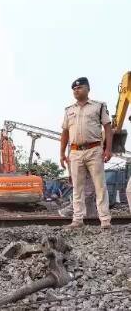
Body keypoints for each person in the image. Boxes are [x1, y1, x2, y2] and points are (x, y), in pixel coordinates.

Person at [60, 77, 113, 229]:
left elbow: (108, 128)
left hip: (94, 150)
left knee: (100, 186)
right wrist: (62, 154)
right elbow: (64, 133)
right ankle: (77, 220)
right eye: (74, 89)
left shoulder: (99, 106)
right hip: (75, 152)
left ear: (88, 89)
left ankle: (104, 220)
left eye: (80, 88)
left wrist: (108, 149)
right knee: (77, 187)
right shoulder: (69, 110)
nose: (76, 90)